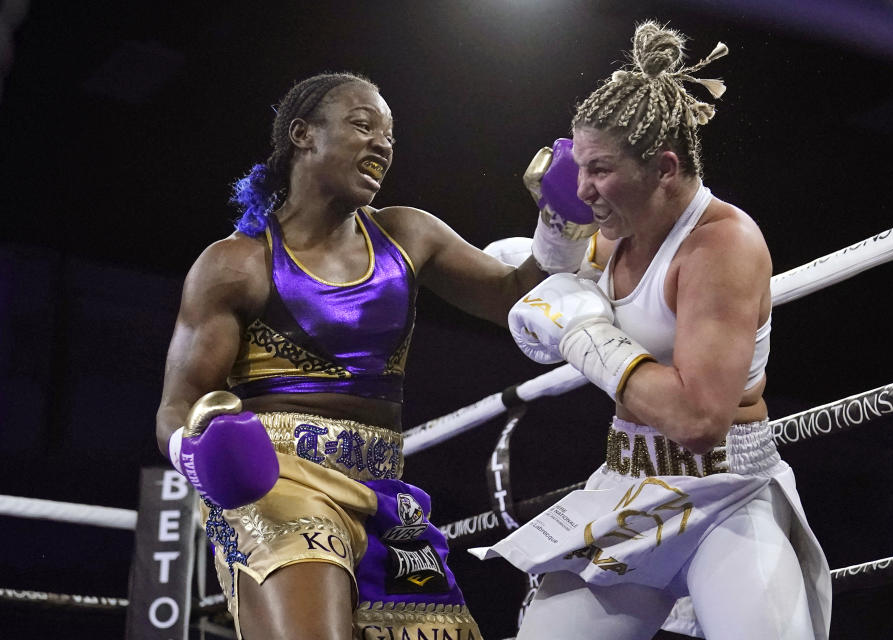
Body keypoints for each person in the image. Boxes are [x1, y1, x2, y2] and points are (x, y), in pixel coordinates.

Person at [155, 72, 594, 640]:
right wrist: (196, 455)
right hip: (279, 480)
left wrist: (559, 223)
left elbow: (513, 296)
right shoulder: (235, 264)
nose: (383, 144)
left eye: (389, 135)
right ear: (303, 135)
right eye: (363, 126)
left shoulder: (408, 235)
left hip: (383, 487)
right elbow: (178, 403)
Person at [472, 21, 832, 639]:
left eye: (601, 170)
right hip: (629, 483)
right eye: (578, 165)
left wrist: (583, 336)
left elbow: (698, 421)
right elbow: (527, 280)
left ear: (664, 168)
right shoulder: (613, 225)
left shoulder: (721, 248)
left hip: (727, 491)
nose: (583, 188)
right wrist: (553, 236)